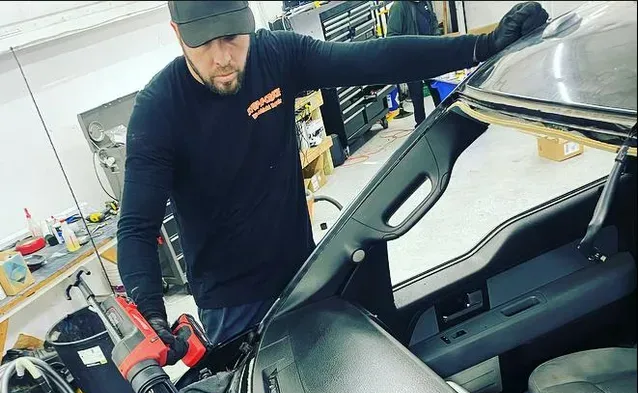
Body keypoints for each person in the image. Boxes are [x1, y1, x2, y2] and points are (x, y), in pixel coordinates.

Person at [117, 0, 548, 356]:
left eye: (232, 37)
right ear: (177, 35)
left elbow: (369, 59)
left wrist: (483, 45)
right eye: (205, 44)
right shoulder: (159, 110)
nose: (223, 57)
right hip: (233, 303)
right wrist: (152, 315)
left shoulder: (274, 56)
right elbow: (137, 226)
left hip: (304, 269)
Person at [388, 1, 442, 125]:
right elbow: (392, 36)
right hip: (412, 61)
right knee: (417, 97)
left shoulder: (426, 2)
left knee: (436, 89)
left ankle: (442, 120)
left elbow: (433, 23)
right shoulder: (399, 6)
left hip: (429, 57)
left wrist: (437, 42)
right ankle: (421, 127)